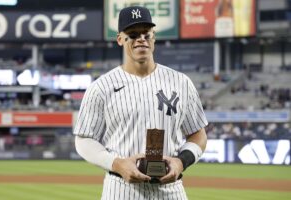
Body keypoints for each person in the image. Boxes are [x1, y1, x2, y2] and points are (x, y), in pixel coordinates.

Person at [74, 6, 208, 200]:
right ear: (120, 39)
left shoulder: (181, 82)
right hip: (120, 189)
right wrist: (116, 163)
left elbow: (198, 135)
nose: (141, 39)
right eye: (133, 34)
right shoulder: (101, 87)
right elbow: (84, 139)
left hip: (171, 191)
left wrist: (181, 162)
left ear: (153, 36)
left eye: (146, 33)